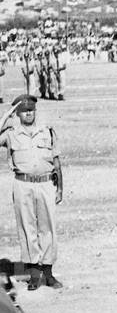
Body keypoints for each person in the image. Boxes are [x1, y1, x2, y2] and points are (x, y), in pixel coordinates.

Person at [0, 95, 63, 289]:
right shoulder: (11, 134)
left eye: (31, 110)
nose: (29, 113)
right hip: (23, 184)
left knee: (48, 227)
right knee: (27, 228)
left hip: (45, 183)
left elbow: (57, 162)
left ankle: (48, 273)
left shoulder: (47, 131)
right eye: (24, 111)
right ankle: (34, 274)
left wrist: (60, 187)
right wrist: (5, 116)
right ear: (18, 114)